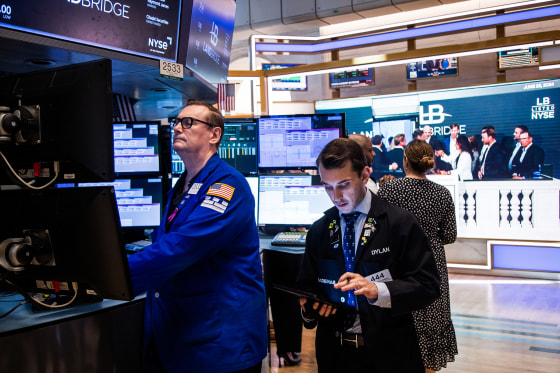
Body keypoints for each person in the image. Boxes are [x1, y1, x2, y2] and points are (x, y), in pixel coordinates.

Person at [127, 100, 267, 373]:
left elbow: (183, 246)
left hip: (222, 342)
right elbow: (165, 240)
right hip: (188, 333)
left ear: (214, 135)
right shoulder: (185, 184)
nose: (178, 127)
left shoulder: (228, 185)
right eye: (176, 122)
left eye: (189, 122)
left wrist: (116, 274)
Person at [296, 138, 441, 373]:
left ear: (364, 175)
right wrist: (310, 309)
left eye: (344, 184)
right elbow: (307, 287)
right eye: (328, 186)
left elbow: (428, 285)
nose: (336, 196)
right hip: (334, 356)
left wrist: (379, 291)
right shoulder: (320, 230)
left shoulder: (399, 223)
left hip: (390, 355)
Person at [378, 139, 458, 372]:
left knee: (401, 320)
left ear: (405, 161)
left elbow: (379, 228)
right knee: (431, 318)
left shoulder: (390, 189)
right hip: (432, 262)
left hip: (398, 262)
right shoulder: (442, 193)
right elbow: (450, 235)